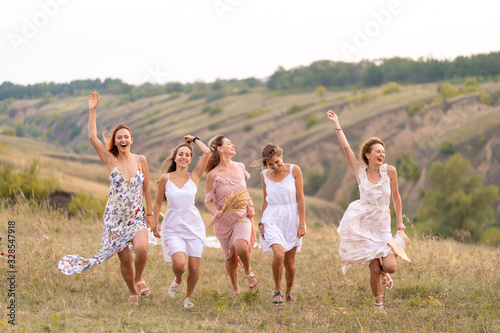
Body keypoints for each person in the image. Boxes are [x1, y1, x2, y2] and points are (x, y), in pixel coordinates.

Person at [59, 92, 153, 306]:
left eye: (126, 136)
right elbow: (92, 137)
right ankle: (132, 292)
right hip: (115, 219)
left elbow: (147, 188)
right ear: (115, 141)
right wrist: (92, 111)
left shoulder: (141, 160)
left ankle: (139, 279)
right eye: (119, 137)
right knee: (126, 259)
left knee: (142, 250)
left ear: (131, 139)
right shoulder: (110, 160)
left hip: (137, 217)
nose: (123, 140)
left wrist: (150, 214)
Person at [327, 109, 405, 314]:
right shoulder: (359, 171)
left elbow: (396, 197)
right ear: (367, 155)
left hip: (382, 224)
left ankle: (385, 276)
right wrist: (337, 123)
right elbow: (345, 147)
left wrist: (399, 223)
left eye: (383, 151)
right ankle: (378, 304)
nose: (382, 154)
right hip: (363, 225)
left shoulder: (390, 171)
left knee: (389, 267)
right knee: (374, 268)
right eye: (378, 151)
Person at [151, 136, 210, 309]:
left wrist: (195, 139)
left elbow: (207, 152)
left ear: (191, 159)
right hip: (172, 226)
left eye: (187, 155)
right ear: (175, 158)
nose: (183, 157)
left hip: (194, 225)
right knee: (180, 265)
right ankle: (177, 279)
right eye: (180, 154)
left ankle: (188, 298)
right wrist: (155, 223)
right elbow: (157, 202)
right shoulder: (165, 179)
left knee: (194, 267)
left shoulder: (195, 176)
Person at [204, 134, 258, 296]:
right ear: (220, 149)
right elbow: (208, 201)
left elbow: (244, 191)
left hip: (242, 216)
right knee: (230, 257)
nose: (233, 145)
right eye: (229, 143)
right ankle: (235, 288)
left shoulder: (240, 166)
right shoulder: (213, 174)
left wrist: (250, 205)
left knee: (241, 246)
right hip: (224, 221)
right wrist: (216, 212)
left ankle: (248, 272)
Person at [254, 143, 306, 305]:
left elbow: (300, 198)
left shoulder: (294, 170)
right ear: (265, 164)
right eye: (271, 164)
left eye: (277, 162)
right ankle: (277, 291)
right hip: (272, 218)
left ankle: (289, 291)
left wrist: (302, 223)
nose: (275, 166)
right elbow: (265, 200)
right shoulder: (264, 175)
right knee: (278, 255)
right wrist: (261, 221)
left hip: (292, 218)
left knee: (289, 264)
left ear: (282, 157)